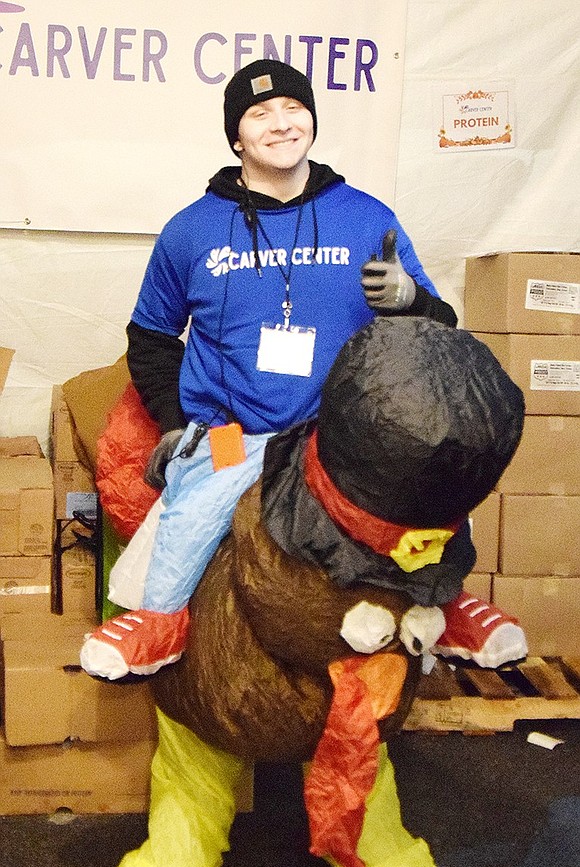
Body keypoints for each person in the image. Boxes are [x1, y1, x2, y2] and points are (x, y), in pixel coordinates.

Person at [80, 59, 524, 681]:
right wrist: (179, 422)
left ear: (312, 119)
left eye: (293, 109)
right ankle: (161, 619)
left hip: (339, 431)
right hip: (236, 430)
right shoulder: (191, 231)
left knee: (428, 480)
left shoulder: (368, 218)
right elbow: (150, 337)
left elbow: (436, 325)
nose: (280, 124)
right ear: (237, 137)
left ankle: (446, 605)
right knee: (198, 500)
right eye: (259, 115)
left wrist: (411, 300)